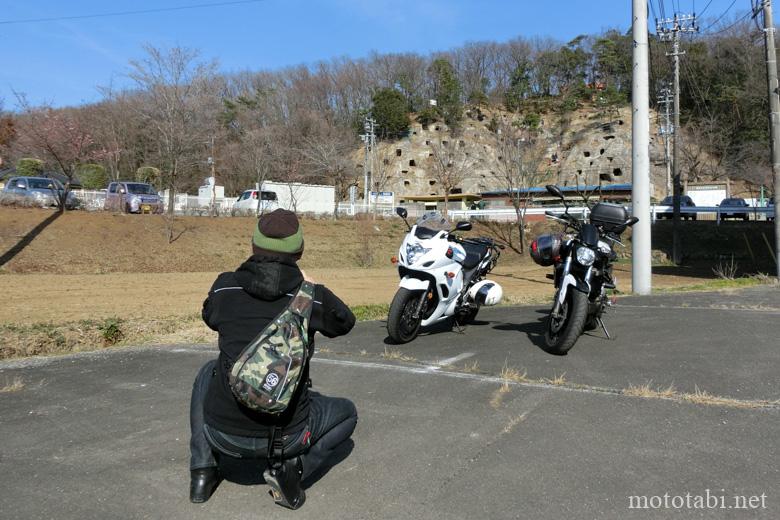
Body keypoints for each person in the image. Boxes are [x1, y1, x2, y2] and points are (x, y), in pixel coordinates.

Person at [189, 209, 357, 509]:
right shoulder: (312, 297)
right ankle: (292, 471)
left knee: (207, 372)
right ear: (299, 250)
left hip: (221, 434)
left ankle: (202, 471)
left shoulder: (225, 286)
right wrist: (310, 286)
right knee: (346, 413)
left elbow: (209, 317)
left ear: (254, 245)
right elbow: (345, 322)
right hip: (285, 438)